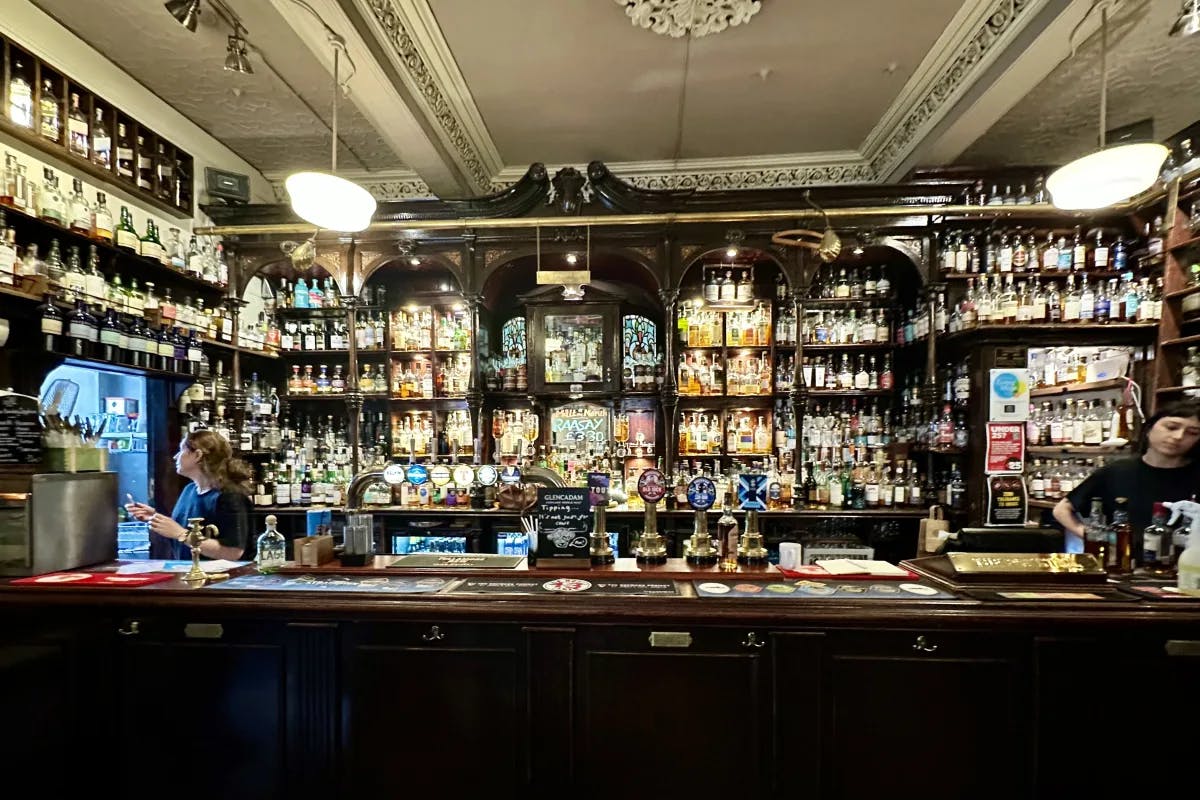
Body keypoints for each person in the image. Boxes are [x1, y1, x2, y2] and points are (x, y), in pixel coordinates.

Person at [1053, 399, 1200, 549]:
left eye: (1192, 433)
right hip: (1124, 565)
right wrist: (1093, 538)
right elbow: (1062, 510)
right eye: (1171, 427)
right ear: (1149, 429)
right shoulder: (1117, 472)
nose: (1179, 436)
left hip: (1185, 567)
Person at [125, 429, 254, 561]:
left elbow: (233, 553)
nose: (176, 457)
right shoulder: (189, 490)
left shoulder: (230, 496)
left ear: (197, 455)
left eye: (181, 450)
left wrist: (181, 534)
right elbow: (181, 528)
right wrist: (155, 517)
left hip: (222, 579)